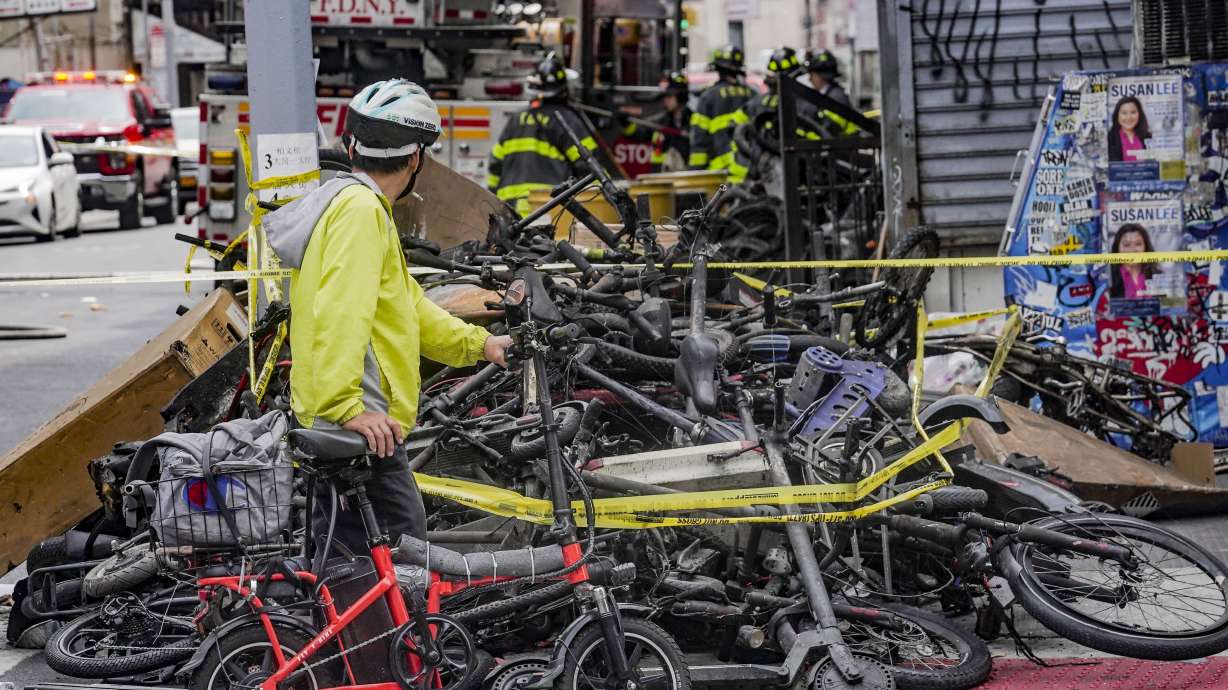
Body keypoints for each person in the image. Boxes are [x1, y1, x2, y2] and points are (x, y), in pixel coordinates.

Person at [264, 79, 514, 553]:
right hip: (359, 427)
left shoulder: (353, 205)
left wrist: (480, 345)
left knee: (346, 557)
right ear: (416, 157)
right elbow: (342, 311)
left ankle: (327, 626)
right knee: (402, 553)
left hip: (347, 421)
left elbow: (407, 307)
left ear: (351, 145)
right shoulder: (360, 214)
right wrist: (348, 408)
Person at [487, 53, 597, 215]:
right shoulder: (567, 120)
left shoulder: (517, 119)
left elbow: (495, 163)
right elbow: (589, 166)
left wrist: (492, 199)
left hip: (509, 207)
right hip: (548, 207)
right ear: (563, 90)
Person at [727, 46, 813, 183]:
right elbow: (736, 127)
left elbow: (734, 125)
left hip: (771, 172)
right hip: (769, 172)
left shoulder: (762, 101)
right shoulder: (800, 102)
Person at [689, 45, 754, 172]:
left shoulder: (708, 97)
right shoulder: (752, 95)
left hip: (720, 173)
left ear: (718, 69)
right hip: (749, 170)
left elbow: (700, 140)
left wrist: (696, 171)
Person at [623, 72, 692, 173]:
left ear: (681, 97)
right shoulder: (661, 122)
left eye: (669, 96)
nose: (665, 100)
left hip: (686, 176)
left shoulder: (694, 121)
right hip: (662, 176)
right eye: (664, 96)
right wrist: (626, 124)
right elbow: (640, 133)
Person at [1108, 223, 1157, 299]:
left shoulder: (1156, 274)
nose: (1132, 250)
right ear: (1117, 248)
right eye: (1126, 245)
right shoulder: (1108, 277)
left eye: (1138, 244)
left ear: (1146, 247)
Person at [1108, 96, 1150, 163]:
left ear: (1139, 114)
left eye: (1133, 112)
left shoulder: (1147, 136)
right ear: (1117, 116)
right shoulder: (1110, 138)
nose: (1129, 117)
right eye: (1124, 113)